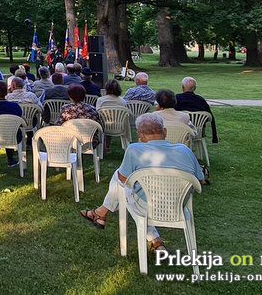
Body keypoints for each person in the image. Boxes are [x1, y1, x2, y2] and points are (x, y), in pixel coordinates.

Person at [80, 113, 205, 254]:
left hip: (148, 206)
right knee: (129, 189)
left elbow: (123, 180)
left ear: (140, 135)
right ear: (165, 132)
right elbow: (200, 181)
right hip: (178, 205)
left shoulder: (135, 149)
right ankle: (155, 241)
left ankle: (101, 212)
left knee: (121, 183)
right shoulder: (185, 150)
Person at [176, 77, 218, 143]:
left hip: (181, 132)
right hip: (199, 132)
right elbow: (210, 118)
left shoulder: (176, 98)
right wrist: (214, 138)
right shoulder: (201, 100)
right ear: (195, 88)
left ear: (182, 87)